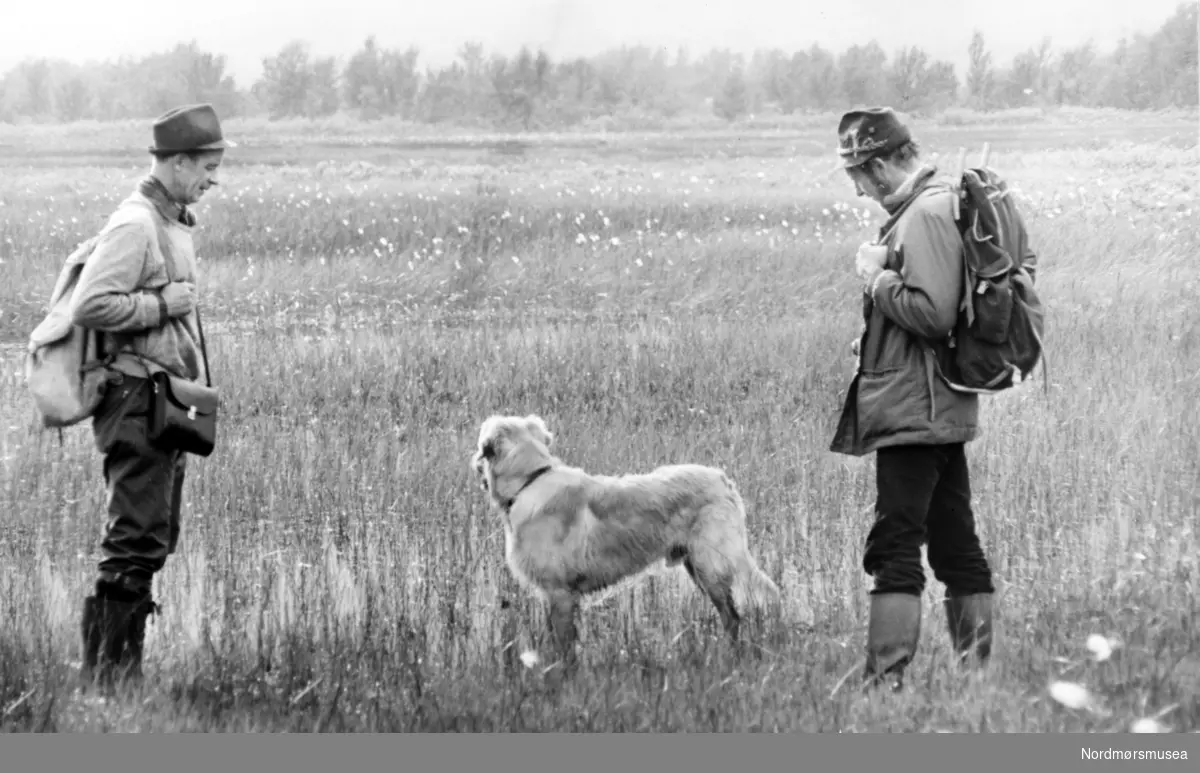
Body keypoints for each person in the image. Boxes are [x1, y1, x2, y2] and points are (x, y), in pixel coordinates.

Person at [828, 107, 1013, 693]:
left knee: (895, 542)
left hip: (917, 410)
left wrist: (876, 280)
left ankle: (884, 684)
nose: (857, 187)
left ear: (880, 165)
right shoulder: (927, 207)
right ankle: (976, 680)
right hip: (933, 407)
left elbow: (932, 315)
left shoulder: (926, 215)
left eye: (857, 173)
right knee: (955, 539)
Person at [68, 103, 233, 691]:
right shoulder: (136, 224)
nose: (213, 178)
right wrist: (163, 305)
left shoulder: (172, 221)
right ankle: (108, 684)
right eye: (208, 166)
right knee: (133, 543)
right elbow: (91, 304)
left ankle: (117, 677)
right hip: (134, 400)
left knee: (153, 539)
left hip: (161, 402)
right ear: (179, 162)